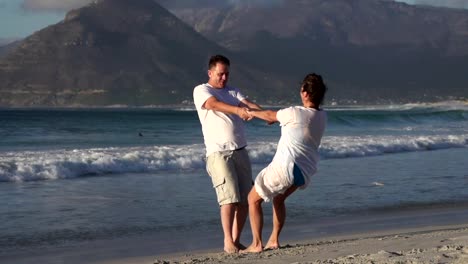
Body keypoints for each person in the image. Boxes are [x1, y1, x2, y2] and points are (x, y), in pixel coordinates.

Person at [241, 73, 328, 253]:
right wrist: (267, 115)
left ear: (304, 92)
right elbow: (273, 117)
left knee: (253, 199)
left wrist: (249, 112)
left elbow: (270, 115)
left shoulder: (294, 113)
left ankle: (256, 244)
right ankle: (274, 240)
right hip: (304, 172)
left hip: (286, 167)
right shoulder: (322, 116)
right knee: (279, 199)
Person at [193, 54, 262, 253]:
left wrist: (267, 114)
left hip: (240, 151)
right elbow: (213, 104)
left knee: (245, 200)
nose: (224, 78)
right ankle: (227, 241)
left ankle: (235, 240)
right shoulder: (201, 90)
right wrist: (237, 111)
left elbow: (247, 104)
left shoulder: (233, 91)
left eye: (227, 74)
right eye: (220, 74)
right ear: (210, 72)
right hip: (219, 153)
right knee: (228, 198)